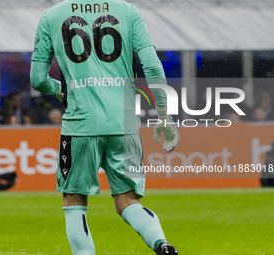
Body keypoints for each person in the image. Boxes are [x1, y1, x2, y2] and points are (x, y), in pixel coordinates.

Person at [30, 1, 179, 254]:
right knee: (129, 201)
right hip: (123, 123)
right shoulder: (129, 11)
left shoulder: (51, 16)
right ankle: (160, 242)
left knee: (74, 201)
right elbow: (152, 66)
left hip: (80, 124)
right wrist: (164, 115)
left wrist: (59, 89)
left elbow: (37, 79)